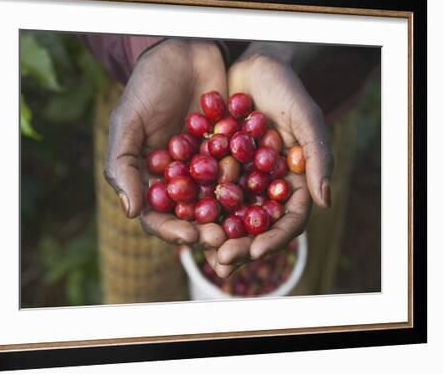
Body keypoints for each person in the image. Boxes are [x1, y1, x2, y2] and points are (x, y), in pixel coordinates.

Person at [84, 35, 379, 280]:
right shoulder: (181, 149)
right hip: (154, 107)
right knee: (138, 280)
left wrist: (281, 45)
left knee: (302, 270)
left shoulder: (242, 157)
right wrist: (152, 42)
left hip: (307, 106)